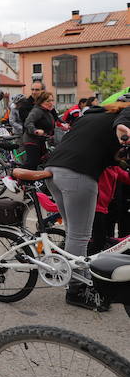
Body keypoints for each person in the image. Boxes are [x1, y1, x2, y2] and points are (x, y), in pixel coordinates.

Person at [44, 97, 130, 311]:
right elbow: (123, 126)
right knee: (80, 236)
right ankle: (76, 291)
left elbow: (105, 150)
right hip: (78, 174)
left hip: (53, 170)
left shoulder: (93, 116)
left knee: (74, 231)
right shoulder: (121, 119)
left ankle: (77, 279)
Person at [21, 91, 56, 170]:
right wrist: (35, 130)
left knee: (45, 161)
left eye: (52, 100)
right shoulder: (37, 111)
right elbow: (28, 123)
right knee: (32, 163)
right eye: (48, 101)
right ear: (41, 102)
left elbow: (52, 125)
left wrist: (64, 126)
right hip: (32, 140)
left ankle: (36, 180)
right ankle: (16, 177)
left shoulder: (48, 112)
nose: (51, 103)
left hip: (42, 140)